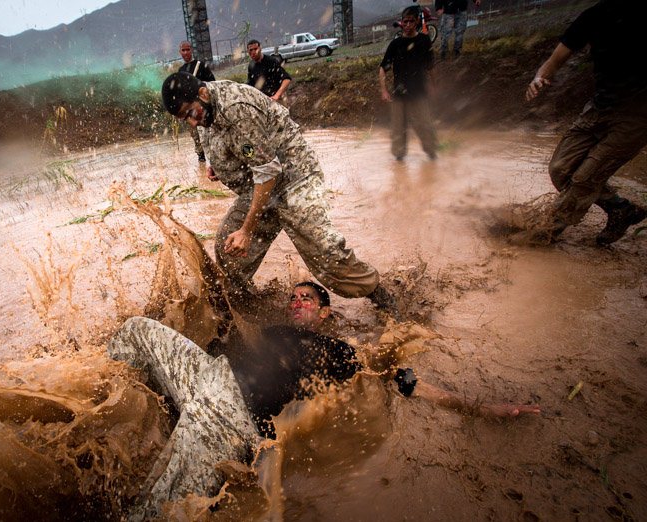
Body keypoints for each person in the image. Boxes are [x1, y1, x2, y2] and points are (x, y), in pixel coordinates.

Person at [107, 281, 540, 519]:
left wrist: (479, 407)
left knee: (156, 505)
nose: (297, 301)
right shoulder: (270, 332)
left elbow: (396, 377)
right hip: (206, 375)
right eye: (293, 297)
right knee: (136, 329)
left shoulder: (337, 352)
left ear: (325, 312)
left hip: (230, 411)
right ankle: (117, 408)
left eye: (307, 298)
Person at [161, 71, 397, 311]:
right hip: (259, 187)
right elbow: (224, 139)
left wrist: (247, 230)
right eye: (184, 119)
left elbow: (268, 172)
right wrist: (218, 164)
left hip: (294, 180)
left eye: (190, 114)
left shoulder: (238, 109)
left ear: (203, 94)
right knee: (227, 246)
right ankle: (246, 308)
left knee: (327, 257)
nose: (192, 122)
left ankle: (381, 295)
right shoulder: (204, 109)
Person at [525, 0, 647, 245]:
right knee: (560, 169)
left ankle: (544, 233)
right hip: (599, 107)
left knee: (585, 179)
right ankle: (620, 209)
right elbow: (557, 58)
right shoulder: (594, 16)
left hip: (637, 116)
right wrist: (540, 77)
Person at [379, 6, 439, 162]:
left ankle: (431, 154)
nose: (407, 24)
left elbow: (430, 66)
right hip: (399, 94)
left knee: (425, 125)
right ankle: (399, 159)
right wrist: (384, 90)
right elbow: (383, 69)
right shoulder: (396, 44)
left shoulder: (424, 41)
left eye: (411, 21)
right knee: (398, 129)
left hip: (419, 91)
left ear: (417, 21)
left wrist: (433, 85)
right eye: (404, 21)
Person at [177, 40, 216, 163]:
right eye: (183, 50)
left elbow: (212, 83)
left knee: (209, 134)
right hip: (190, 109)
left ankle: (213, 159)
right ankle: (202, 159)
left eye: (188, 49)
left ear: (191, 50)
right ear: (180, 52)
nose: (186, 52)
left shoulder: (201, 65)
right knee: (196, 136)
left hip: (204, 106)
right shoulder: (181, 70)